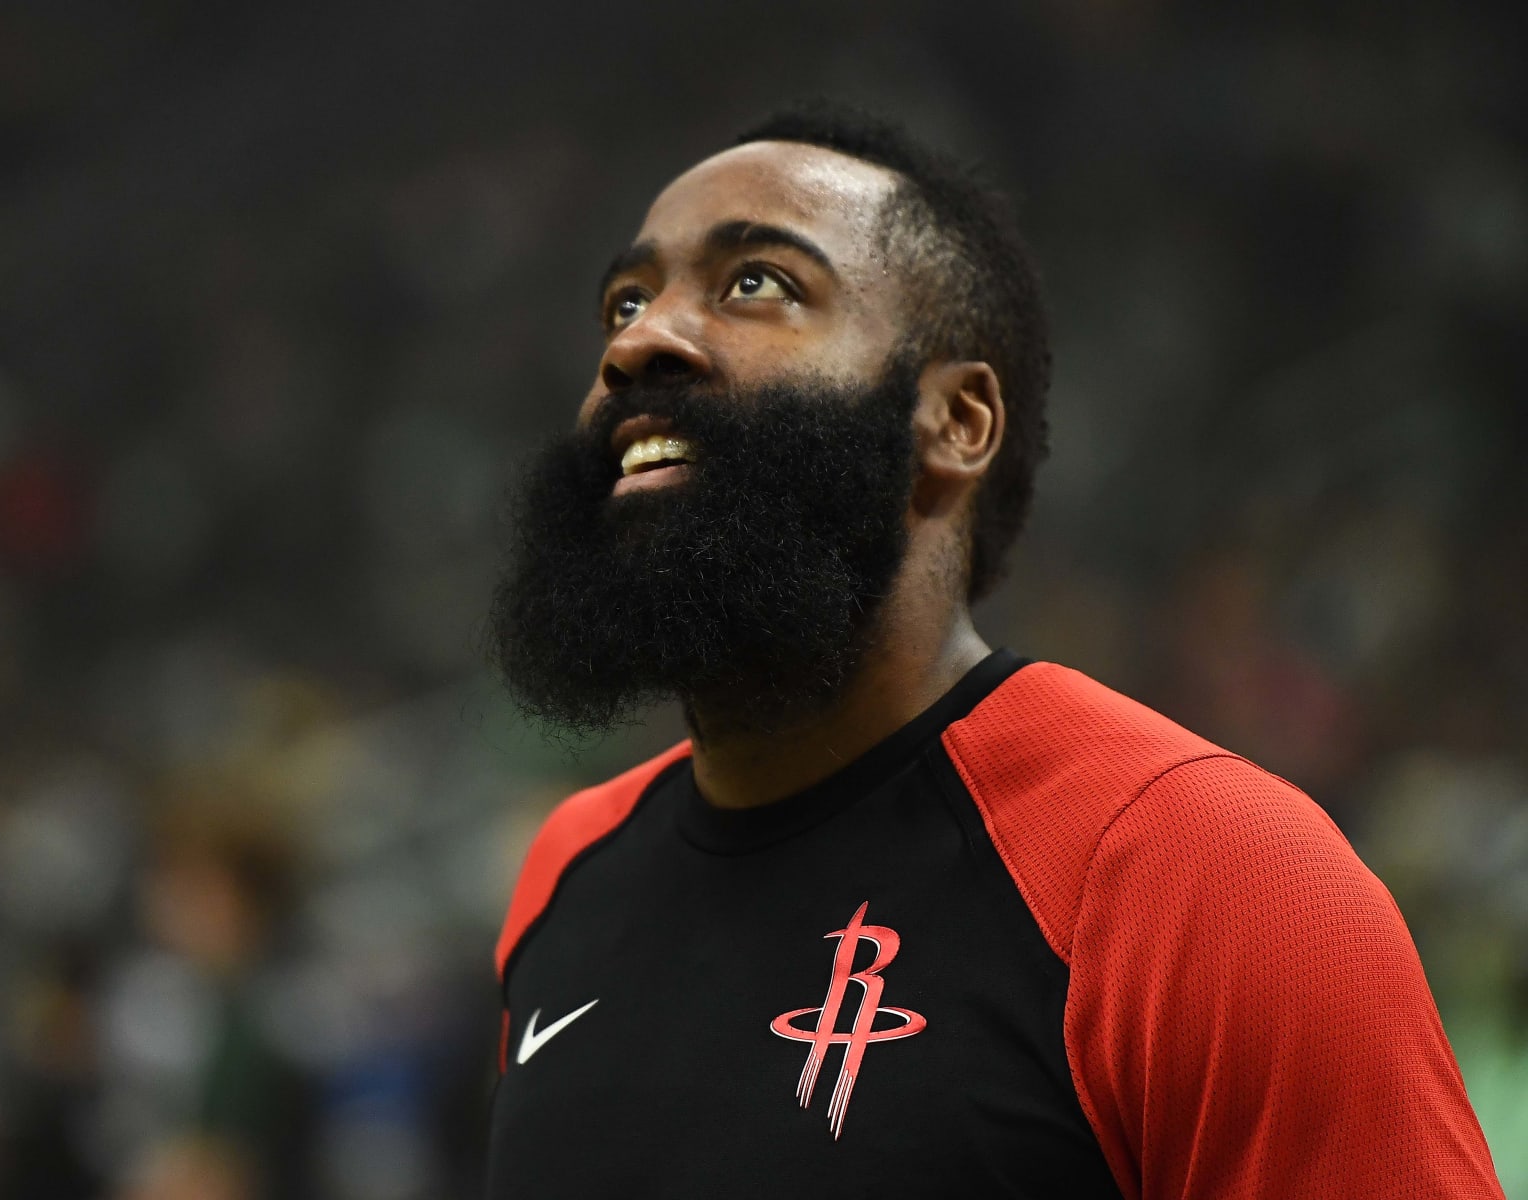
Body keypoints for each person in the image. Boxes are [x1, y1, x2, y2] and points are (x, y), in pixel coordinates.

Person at [481, 102, 1504, 1198]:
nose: (638, 342)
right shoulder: (568, 870)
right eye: (626, 302)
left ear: (957, 422)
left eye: (756, 283)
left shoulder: (1209, 875)